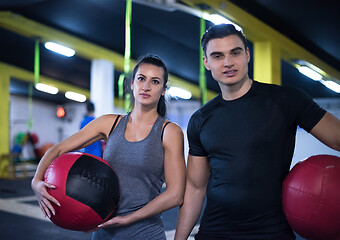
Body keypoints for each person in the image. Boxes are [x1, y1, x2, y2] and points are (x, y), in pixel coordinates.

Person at [175, 24, 340, 240]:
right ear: (206, 62)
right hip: (214, 232)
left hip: (271, 232)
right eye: (217, 56)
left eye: (235, 52)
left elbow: (337, 138)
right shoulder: (200, 119)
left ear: (247, 55)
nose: (228, 63)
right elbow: (196, 188)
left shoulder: (286, 100)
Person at [31, 54, 186, 239]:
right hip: (103, 233)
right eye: (141, 79)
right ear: (131, 84)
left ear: (163, 90)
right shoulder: (109, 123)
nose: (146, 87)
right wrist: (36, 181)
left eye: (155, 81)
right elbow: (57, 149)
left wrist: (128, 219)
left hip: (144, 233)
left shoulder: (169, 132)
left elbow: (176, 194)